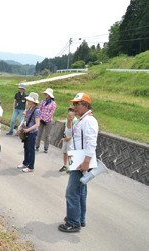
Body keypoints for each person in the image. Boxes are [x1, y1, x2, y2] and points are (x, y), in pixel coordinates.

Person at [58, 93, 98, 233]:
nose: (74, 107)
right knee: (80, 191)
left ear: (85, 105)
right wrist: (69, 123)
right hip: (77, 158)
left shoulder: (89, 121)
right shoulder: (81, 120)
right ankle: (79, 218)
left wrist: (86, 161)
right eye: (73, 104)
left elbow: (91, 142)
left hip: (82, 160)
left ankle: (73, 222)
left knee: (72, 192)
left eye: (77, 104)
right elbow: (70, 136)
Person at [17, 92, 41, 173]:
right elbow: (25, 119)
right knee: (26, 148)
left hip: (32, 132)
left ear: (33, 101)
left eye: (29, 100)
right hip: (26, 131)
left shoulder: (37, 110)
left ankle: (31, 166)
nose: (27, 101)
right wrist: (20, 126)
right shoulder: (29, 109)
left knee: (31, 149)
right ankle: (25, 163)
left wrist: (28, 129)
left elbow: (37, 124)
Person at [35, 88, 57, 153]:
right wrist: (40, 118)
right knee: (39, 134)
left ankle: (46, 148)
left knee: (47, 135)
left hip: (48, 121)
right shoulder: (43, 101)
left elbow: (51, 113)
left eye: (46, 94)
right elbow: (40, 109)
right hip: (41, 119)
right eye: (45, 94)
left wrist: (46, 119)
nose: (45, 95)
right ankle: (37, 146)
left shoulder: (53, 103)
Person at [59, 106, 77, 172]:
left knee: (70, 153)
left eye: (72, 110)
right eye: (69, 110)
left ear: (75, 112)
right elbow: (67, 129)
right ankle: (65, 165)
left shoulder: (75, 120)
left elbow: (73, 133)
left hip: (70, 139)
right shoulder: (67, 119)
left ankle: (70, 167)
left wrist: (66, 138)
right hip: (66, 137)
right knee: (65, 152)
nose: (70, 112)